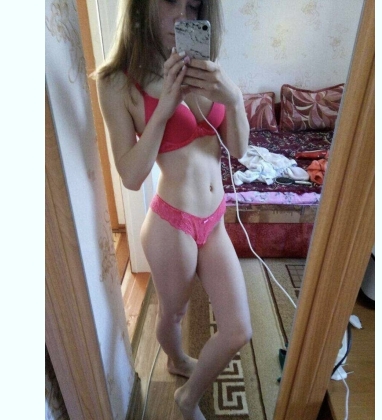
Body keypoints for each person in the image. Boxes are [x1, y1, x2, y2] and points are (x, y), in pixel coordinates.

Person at [94, 1, 252, 418]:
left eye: (194, 5)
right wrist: (163, 110)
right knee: (174, 312)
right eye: (170, 1)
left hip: (214, 220)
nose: (184, 16)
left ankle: (186, 396)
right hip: (171, 224)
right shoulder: (117, 81)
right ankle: (177, 360)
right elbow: (131, 175)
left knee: (238, 329)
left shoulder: (205, 67)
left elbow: (238, 149)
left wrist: (234, 99)